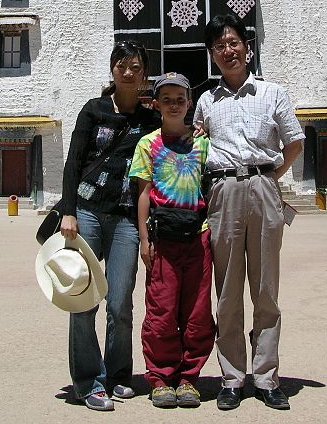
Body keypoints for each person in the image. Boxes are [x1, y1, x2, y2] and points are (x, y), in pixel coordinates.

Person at [194, 14, 305, 412]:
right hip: (222, 191)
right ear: (212, 55)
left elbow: (293, 141)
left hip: (263, 187)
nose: (228, 51)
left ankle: (266, 375)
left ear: (247, 47)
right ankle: (232, 376)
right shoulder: (206, 101)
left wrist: (270, 176)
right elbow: (196, 146)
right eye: (219, 46)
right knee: (227, 289)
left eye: (233, 42)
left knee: (265, 288)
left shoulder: (273, 92)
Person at [60, 41, 157, 411]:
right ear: (112, 70)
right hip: (86, 212)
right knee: (83, 298)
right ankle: (88, 381)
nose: (128, 72)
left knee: (119, 302)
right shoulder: (93, 110)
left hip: (126, 218)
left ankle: (118, 375)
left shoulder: (150, 120)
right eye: (122, 65)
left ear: (144, 73)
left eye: (135, 66)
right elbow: (73, 163)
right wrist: (68, 210)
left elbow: (165, 155)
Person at [129, 72, 215, 409]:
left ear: (189, 103)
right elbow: (144, 194)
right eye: (167, 100)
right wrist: (142, 238)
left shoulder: (203, 143)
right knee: (161, 311)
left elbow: (213, 187)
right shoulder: (148, 145)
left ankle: (189, 378)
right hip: (162, 239)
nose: (174, 105)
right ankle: (161, 377)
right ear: (157, 104)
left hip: (199, 236)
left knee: (197, 311)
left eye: (180, 99)